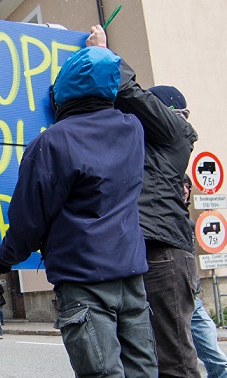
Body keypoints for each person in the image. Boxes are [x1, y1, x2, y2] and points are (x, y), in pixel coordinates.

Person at [0, 31, 158, 376]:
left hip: (83, 280)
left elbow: (29, 221)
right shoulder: (132, 129)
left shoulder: (53, 143)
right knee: (144, 372)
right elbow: (120, 90)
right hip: (131, 275)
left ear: (62, 90)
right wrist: (104, 54)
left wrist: (4, 257)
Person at [85, 23, 200, 376]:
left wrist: (103, 54)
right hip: (145, 253)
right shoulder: (149, 147)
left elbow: (130, 93)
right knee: (148, 356)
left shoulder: (173, 130)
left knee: (174, 358)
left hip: (162, 254)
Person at [182, 175, 227, 377]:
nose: (185, 190)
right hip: (171, 296)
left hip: (193, 297)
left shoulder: (188, 222)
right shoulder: (160, 220)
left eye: (187, 186)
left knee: (219, 364)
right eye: (180, 185)